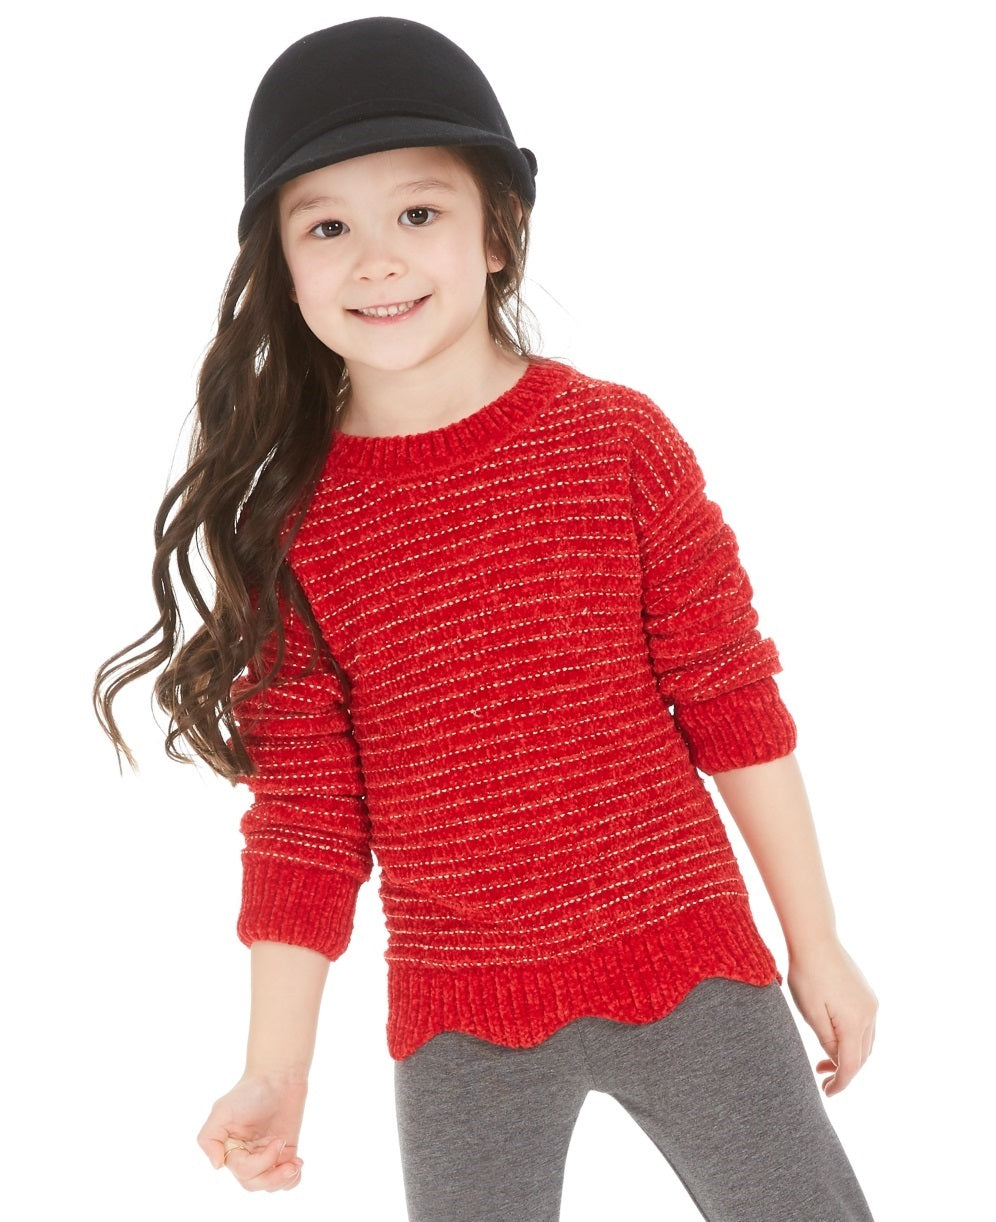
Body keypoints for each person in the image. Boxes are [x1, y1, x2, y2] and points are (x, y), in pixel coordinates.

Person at [94, 17, 878, 1221]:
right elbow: (306, 823)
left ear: (497, 233)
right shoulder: (293, 534)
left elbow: (733, 703)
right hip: (461, 1015)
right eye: (327, 227)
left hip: (690, 959)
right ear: (283, 268)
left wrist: (812, 940)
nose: (376, 260)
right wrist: (277, 1070)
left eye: (417, 213)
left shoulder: (617, 444)